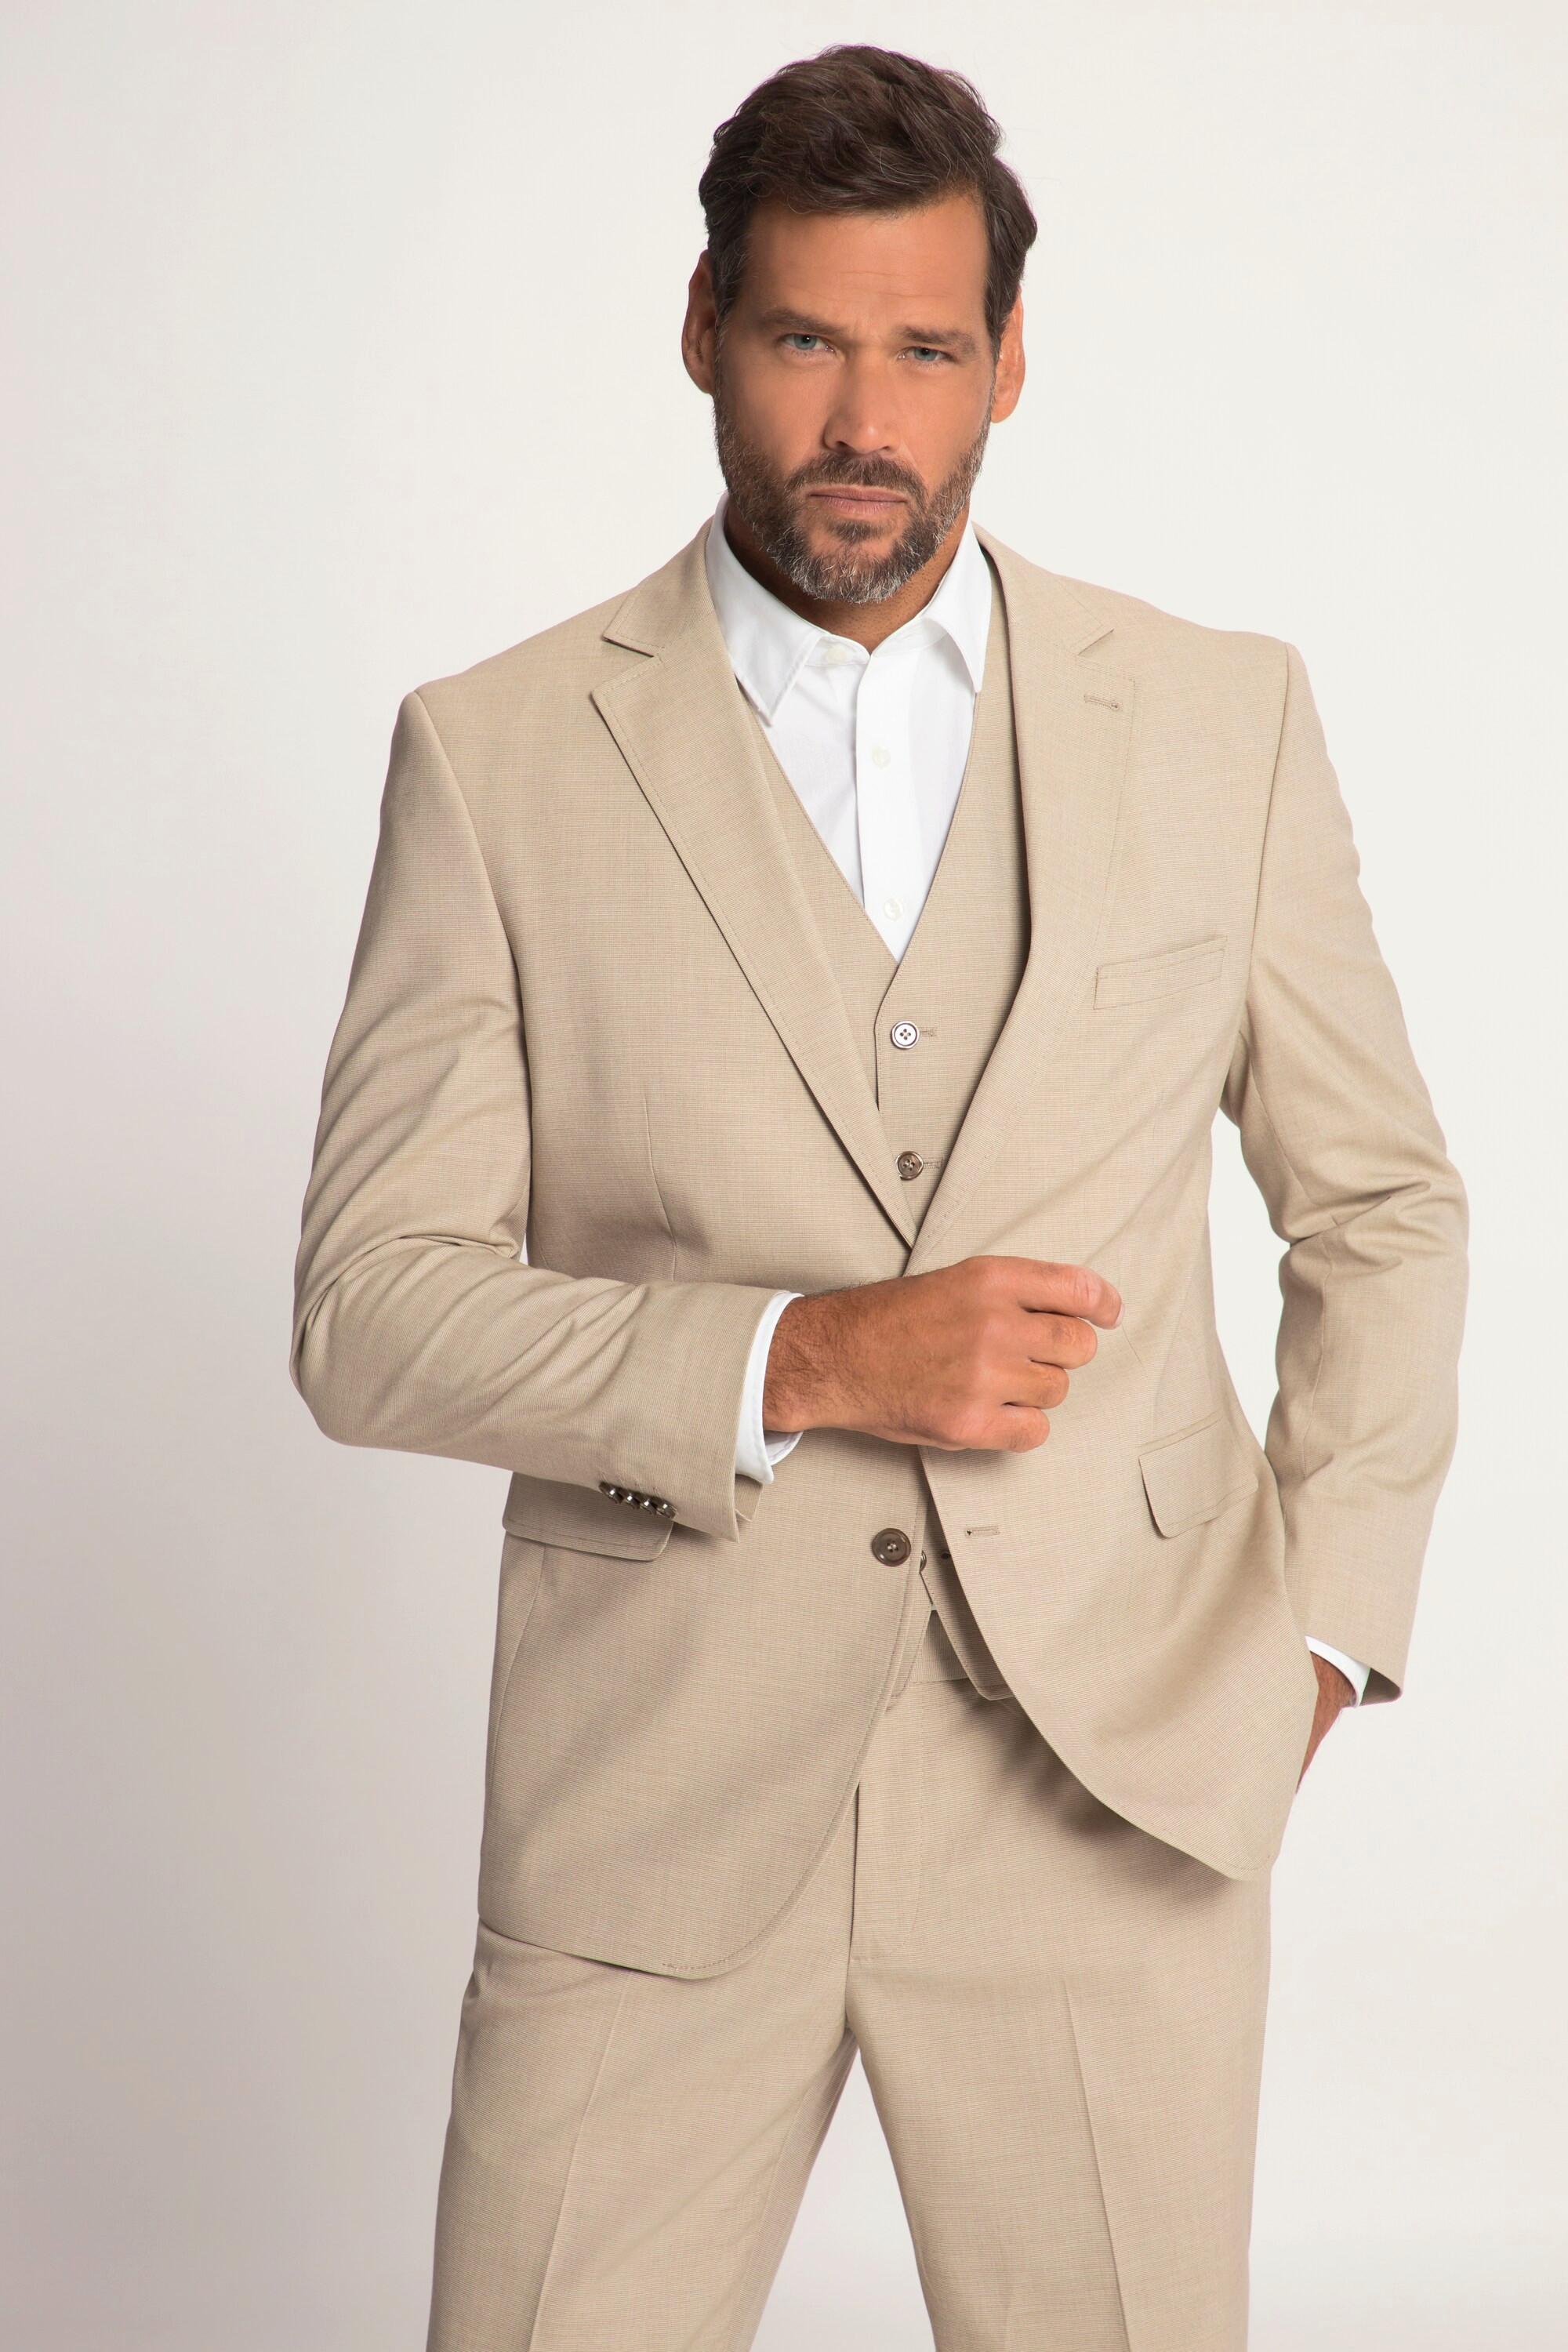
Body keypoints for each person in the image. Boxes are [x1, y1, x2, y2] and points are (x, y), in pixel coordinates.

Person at [290, 42, 1468, 2352]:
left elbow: (1383, 1207)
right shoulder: (499, 754)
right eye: (805, 339)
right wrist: (799, 1355)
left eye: (925, 350)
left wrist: (1322, 1636)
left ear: (1009, 361)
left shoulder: (1217, 717)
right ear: (704, 330)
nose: (863, 419)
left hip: (1108, 1783)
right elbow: (369, 1309)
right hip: (656, 1799)